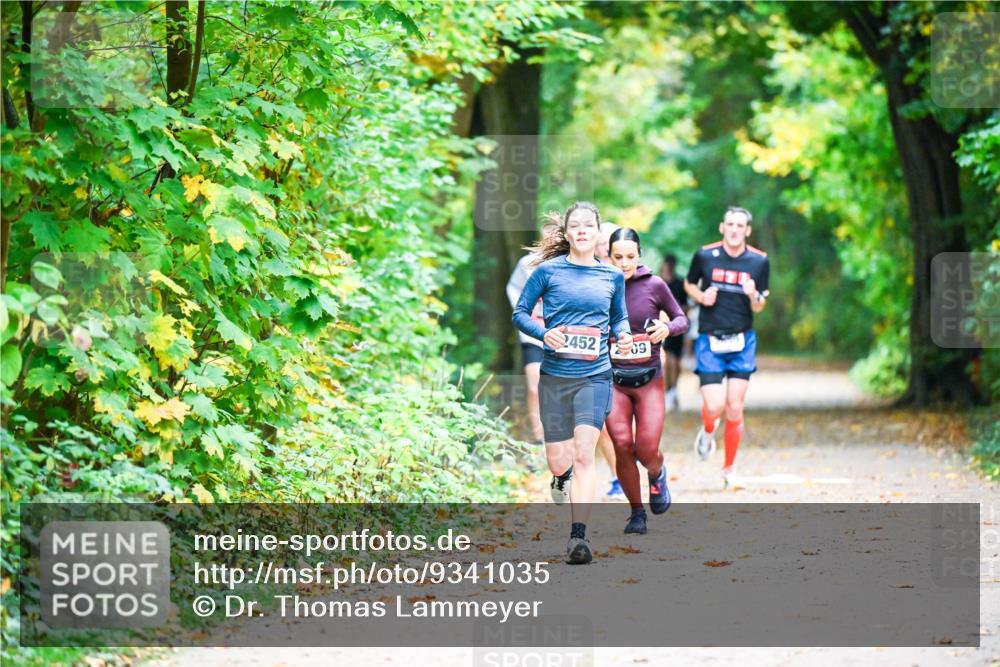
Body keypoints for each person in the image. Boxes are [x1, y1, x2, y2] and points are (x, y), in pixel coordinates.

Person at [512, 202, 633, 564]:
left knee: (584, 454)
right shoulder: (547, 272)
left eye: (588, 225)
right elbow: (519, 313)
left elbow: (620, 318)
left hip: (595, 375)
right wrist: (544, 333)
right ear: (566, 234)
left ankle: (578, 538)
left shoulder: (611, 276)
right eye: (575, 226)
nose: (581, 230)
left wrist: (623, 336)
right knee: (558, 460)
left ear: (598, 234)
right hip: (555, 377)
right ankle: (558, 477)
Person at [605, 228, 688, 534]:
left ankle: (657, 472)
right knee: (623, 445)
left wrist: (667, 329)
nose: (624, 263)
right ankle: (636, 512)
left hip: (650, 379)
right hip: (613, 382)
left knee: (646, 449)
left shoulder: (655, 285)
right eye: (618, 257)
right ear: (608, 257)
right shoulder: (599, 286)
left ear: (639, 255)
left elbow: (681, 318)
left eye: (630, 257)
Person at [684, 206, 769, 488]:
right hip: (710, 338)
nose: (734, 229)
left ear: (747, 230)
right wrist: (701, 297)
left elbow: (760, 304)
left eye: (740, 225)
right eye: (730, 224)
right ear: (722, 227)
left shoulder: (759, 261)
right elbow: (688, 284)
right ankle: (708, 431)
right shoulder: (705, 255)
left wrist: (752, 294)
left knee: (734, 406)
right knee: (714, 405)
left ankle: (729, 468)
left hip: (742, 340)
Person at [507, 218, 562, 444]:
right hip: (533, 334)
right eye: (546, 236)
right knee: (534, 387)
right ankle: (539, 440)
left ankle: (559, 436)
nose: (550, 241)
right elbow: (514, 289)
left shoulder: (569, 264)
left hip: (563, 335)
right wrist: (526, 313)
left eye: (555, 237)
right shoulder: (527, 263)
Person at [595, 221, 623, 497]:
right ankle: (618, 477)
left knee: (627, 420)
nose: (604, 244)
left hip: (629, 353)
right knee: (603, 420)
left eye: (609, 240)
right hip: (598, 353)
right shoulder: (585, 273)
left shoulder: (631, 271)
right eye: (600, 240)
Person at [658, 253, 688, 411]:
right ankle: (668, 391)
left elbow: (685, 306)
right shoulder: (657, 282)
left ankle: (673, 390)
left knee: (675, 362)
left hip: (675, 327)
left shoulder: (679, 283)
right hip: (660, 325)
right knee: (667, 361)